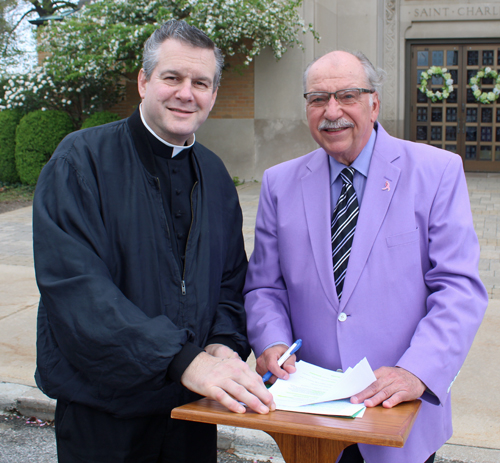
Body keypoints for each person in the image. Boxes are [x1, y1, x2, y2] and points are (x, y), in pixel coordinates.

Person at [33, 20, 274, 463]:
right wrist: (184, 359)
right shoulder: (80, 161)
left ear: (214, 95)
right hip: (104, 414)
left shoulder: (216, 174)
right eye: (172, 77)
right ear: (144, 82)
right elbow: (78, 290)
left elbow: (229, 281)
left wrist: (223, 341)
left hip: (189, 411)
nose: (187, 93)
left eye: (201, 82)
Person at [243, 50, 488, 463]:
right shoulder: (279, 183)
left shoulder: (436, 171)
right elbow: (265, 285)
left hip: (397, 412)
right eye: (318, 98)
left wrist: (417, 371)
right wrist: (272, 341)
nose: (331, 111)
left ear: (374, 103)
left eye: (348, 96)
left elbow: (459, 288)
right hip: (310, 417)